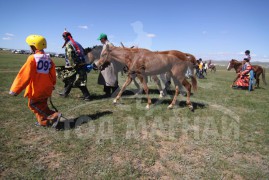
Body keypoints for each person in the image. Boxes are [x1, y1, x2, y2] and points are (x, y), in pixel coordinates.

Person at [9, 34, 61, 127]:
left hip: (37, 89)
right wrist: (52, 84)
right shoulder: (49, 59)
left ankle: (54, 115)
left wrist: (15, 90)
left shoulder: (32, 58)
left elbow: (24, 75)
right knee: (42, 105)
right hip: (47, 88)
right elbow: (53, 74)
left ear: (33, 46)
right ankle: (43, 122)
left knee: (33, 104)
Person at [60, 30, 91, 101]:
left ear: (65, 37)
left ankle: (87, 96)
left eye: (63, 37)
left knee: (79, 81)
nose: (63, 39)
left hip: (75, 65)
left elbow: (70, 55)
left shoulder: (69, 44)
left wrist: (73, 65)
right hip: (81, 64)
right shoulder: (77, 43)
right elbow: (84, 52)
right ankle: (65, 93)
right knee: (70, 79)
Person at [96, 33, 119, 97]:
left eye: (100, 39)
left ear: (103, 39)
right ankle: (107, 93)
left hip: (109, 64)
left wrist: (101, 63)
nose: (100, 40)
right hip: (105, 64)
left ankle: (115, 93)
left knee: (111, 79)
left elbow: (110, 56)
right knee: (106, 79)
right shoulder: (105, 45)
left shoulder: (109, 44)